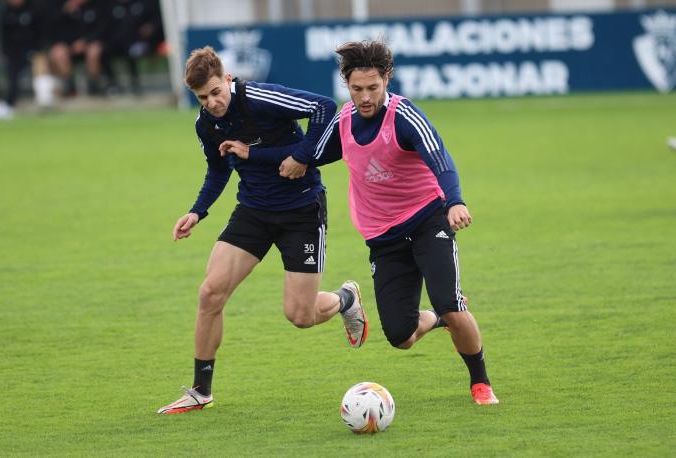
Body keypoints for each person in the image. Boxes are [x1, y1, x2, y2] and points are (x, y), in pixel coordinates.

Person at [280, 40, 499, 405]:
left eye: (373, 88)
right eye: (356, 89)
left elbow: (440, 159)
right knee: (402, 336)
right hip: (383, 238)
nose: (365, 97)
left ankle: (480, 382)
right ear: (346, 85)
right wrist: (258, 152)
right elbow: (311, 154)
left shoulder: (404, 116)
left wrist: (455, 202)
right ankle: (439, 319)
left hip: (429, 221)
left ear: (387, 79)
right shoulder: (345, 121)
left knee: (451, 303)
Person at [157, 46, 368, 415]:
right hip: (253, 211)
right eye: (202, 98)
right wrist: (197, 211)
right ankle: (200, 391)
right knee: (210, 294)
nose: (212, 102)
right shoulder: (205, 123)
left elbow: (323, 107)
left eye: (215, 92)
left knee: (300, 315)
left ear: (227, 80)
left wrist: (302, 156)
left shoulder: (258, 97)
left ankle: (346, 299)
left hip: (301, 209)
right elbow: (219, 168)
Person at [0, 0, 45, 120]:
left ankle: (45, 100)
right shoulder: (6, 11)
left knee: (39, 67)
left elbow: (41, 31)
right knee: (12, 77)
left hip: (32, 51)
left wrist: (36, 49)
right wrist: (4, 53)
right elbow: (4, 34)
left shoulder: (34, 9)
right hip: (13, 53)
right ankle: (8, 105)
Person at [47, 0, 107, 96]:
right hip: (68, 45)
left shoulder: (96, 6)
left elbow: (101, 28)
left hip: (89, 44)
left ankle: (94, 85)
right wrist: (65, 12)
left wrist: (85, 41)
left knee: (94, 50)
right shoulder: (60, 8)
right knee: (58, 52)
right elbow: (53, 31)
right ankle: (69, 85)